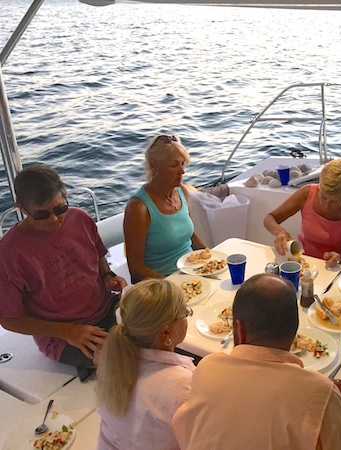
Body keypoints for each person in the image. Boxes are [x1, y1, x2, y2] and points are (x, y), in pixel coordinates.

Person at [172, 273, 341, 450]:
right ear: (294, 331)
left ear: (238, 329)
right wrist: (319, 390)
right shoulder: (323, 396)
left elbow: (184, 431)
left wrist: (315, 388)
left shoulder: (207, 368)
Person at [0, 164, 127, 380]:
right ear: (21, 208)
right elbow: (9, 320)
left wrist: (107, 276)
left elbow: (97, 255)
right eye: (41, 215)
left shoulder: (81, 218)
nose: (54, 219)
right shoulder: (8, 254)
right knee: (121, 360)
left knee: (160, 326)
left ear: (65, 195)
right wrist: (68, 332)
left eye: (60, 208)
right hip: (62, 336)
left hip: (107, 308)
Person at [96, 279, 195, 450]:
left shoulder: (114, 367)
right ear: (166, 331)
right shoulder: (183, 384)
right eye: (185, 313)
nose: (187, 316)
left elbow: (106, 439)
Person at [124, 135, 207, 283]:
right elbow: (136, 269)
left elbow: (190, 235)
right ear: (155, 167)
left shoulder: (182, 191)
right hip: (160, 284)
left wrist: (210, 255)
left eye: (183, 164)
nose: (182, 172)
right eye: (174, 165)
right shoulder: (139, 207)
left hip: (191, 273)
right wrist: (171, 285)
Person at [264, 158, 341, 268]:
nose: (326, 205)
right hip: (304, 261)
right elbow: (270, 218)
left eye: (334, 201)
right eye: (323, 197)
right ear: (319, 186)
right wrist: (280, 232)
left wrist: (339, 258)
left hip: (336, 267)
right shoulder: (306, 193)